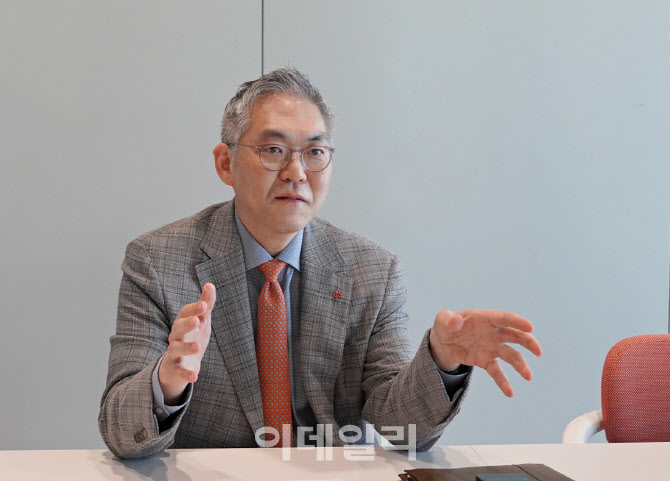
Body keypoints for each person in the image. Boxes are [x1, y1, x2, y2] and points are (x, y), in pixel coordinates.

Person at [98, 68, 542, 459]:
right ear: (225, 163)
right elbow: (121, 433)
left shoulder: (373, 271)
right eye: (273, 150)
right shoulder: (157, 260)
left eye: (314, 153)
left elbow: (402, 430)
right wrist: (168, 378)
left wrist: (441, 363)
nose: (296, 172)